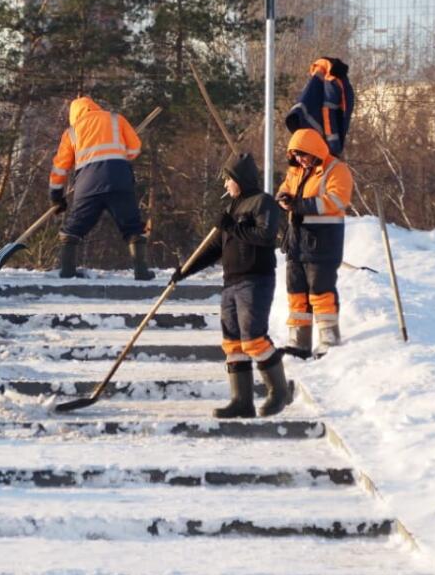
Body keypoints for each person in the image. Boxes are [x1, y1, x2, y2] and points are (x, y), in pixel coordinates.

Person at [172, 152, 291, 417]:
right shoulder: (232, 208)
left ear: (239, 179)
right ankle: (241, 401)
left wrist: (233, 226)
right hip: (231, 282)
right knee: (233, 343)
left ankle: (280, 391)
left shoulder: (264, 203)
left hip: (255, 280)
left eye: (228, 180)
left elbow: (265, 236)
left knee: (254, 339)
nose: (226, 185)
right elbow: (214, 248)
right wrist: (185, 270)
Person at [49, 96, 152, 280]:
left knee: (73, 229)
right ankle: (142, 272)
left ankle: (67, 272)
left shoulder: (71, 132)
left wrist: (56, 195)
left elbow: (60, 167)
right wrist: (119, 157)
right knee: (132, 226)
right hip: (120, 179)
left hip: (88, 185)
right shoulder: (115, 119)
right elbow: (135, 148)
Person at [276, 128, 354, 357]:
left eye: (302, 154)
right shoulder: (297, 171)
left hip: (324, 240)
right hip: (297, 239)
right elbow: (285, 188)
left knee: (320, 290)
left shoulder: (336, 170)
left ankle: (328, 338)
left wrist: (300, 205)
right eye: (296, 155)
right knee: (296, 291)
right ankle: (298, 341)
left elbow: (337, 200)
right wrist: (284, 198)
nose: (299, 159)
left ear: (314, 151)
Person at [285, 55, 354, 158]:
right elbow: (329, 113)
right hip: (322, 144)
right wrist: (334, 147)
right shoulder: (336, 82)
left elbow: (328, 111)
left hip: (311, 140)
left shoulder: (320, 78)